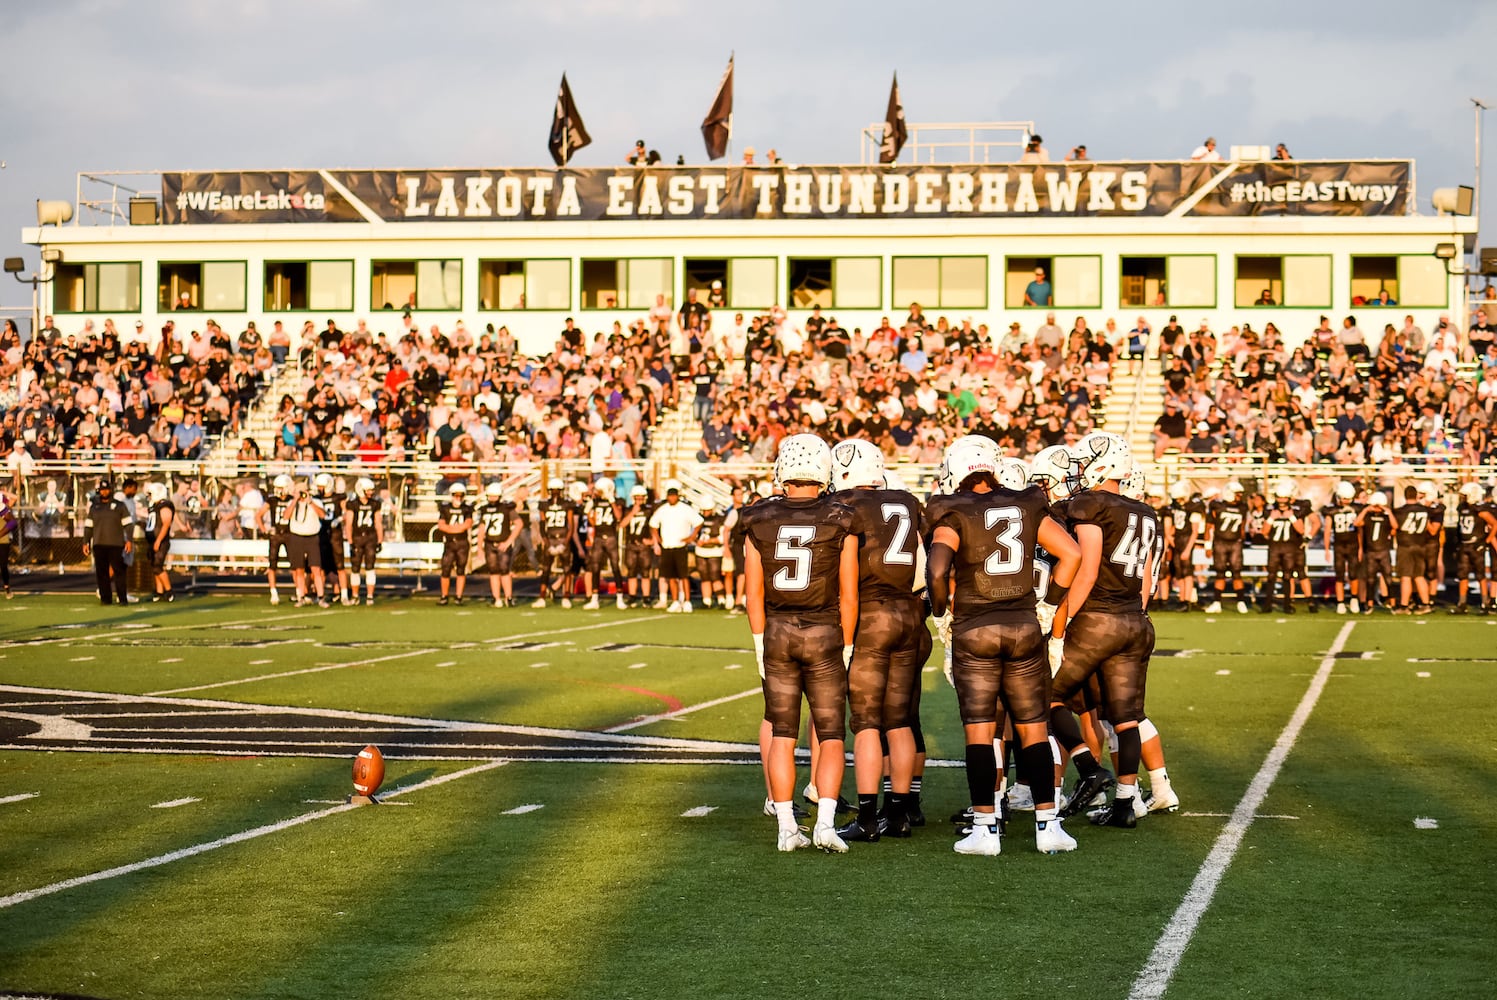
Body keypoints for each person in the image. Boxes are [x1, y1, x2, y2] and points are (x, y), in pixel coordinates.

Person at [927, 438, 1081, 854]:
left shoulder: (950, 510)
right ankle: (1048, 825)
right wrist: (1049, 606)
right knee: (1032, 729)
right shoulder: (1026, 502)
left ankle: (984, 829)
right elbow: (1070, 554)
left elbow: (938, 570)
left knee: (981, 735)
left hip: (975, 629)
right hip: (1024, 627)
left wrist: (941, 615)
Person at [742, 434, 859, 853]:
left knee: (782, 733)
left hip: (778, 631)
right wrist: (846, 644)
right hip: (826, 630)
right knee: (829, 733)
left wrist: (758, 641)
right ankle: (826, 822)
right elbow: (849, 592)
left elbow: (752, 594)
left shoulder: (759, 518)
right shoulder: (841, 516)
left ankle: (787, 826)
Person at [1050, 433, 1161, 828]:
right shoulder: (1146, 511)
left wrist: (1061, 618)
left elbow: (1088, 567)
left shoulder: (1091, 504)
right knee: (1125, 717)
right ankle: (1125, 805)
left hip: (1098, 618)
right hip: (1135, 619)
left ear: (1101, 464)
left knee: (1044, 696)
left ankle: (1087, 768)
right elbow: (1146, 581)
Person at [825, 440, 928, 843]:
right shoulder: (906, 500)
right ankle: (898, 813)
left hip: (869, 613)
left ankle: (868, 818)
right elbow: (921, 563)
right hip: (909, 614)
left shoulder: (844, 507)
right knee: (899, 720)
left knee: (867, 722)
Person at [650, 481, 703, 612]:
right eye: (670, 496)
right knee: (671, 576)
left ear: (677, 496)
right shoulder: (663, 509)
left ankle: (687, 601)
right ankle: (675, 601)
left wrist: (691, 537)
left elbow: (698, 522)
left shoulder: (685, 509)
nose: (672, 498)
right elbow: (653, 524)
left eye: (674, 496)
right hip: (667, 546)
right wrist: (658, 539)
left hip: (680, 546)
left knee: (683, 576)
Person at [83, 477, 133, 606]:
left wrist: (129, 540)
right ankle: (106, 599)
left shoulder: (119, 505)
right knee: (102, 573)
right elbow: (89, 526)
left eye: (107, 489)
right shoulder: (95, 507)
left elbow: (128, 524)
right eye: (102, 490)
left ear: (111, 490)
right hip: (99, 544)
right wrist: (85, 542)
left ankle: (122, 598)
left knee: (119, 572)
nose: (104, 492)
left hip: (116, 544)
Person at [1202, 481, 1250, 613]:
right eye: (1237, 494)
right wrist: (1207, 545)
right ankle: (1217, 602)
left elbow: (1242, 526)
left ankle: (1241, 602)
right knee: (1220, 573)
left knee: (1237, 573)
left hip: (1235, 543)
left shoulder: (1243, 507)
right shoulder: (1217, 505)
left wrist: (1242, 540)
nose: (1240, 497)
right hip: (1220, 542)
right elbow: (1209, 526)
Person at [1450, 483, 1497, 614]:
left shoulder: (1480, 510)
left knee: (1480, 575)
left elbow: (1494, 524)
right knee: (1462, 575)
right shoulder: (1462, 508)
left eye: (1465, 495)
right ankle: (1462, 603)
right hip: (1464, 544)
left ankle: (1484, 602)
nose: (1463, 498)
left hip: (1476, 546)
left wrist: (1486, 541)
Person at [476, 481, 521, 608]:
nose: (492, 498)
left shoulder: (506, 508)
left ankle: (508, 597)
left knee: (505, 571)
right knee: (493, 572)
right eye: (490, 496)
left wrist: (509, 541)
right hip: (490, 543)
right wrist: (479, 547)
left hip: (503, 543)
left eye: (494, 496)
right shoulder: (485, 509)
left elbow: (519, 523)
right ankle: (497, 599)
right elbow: (481, 528)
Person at [534, 478, 577, 609]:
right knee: (546, 569)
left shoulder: (566, 504)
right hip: (551, 537)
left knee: (566, 569)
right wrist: (547, 542)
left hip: (562, 537)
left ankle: (566, 596)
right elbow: (542, 525)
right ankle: (542, 596)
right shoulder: (544, 505)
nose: (555, 493)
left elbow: (570, 525)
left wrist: (565, 542)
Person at [285, 480, 329, 607]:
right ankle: (301, 596)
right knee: (299, 569)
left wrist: (310, 502)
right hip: (297, 537)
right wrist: (294, 501)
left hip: (312, 537)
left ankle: (320, 597)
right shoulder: (292, 503)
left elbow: (322, 515)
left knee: (316, 568)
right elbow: (286, 516)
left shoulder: (316, 502)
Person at [583, 479, 625, 610]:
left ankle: (620, 597)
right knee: (595, 567)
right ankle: (595, 599)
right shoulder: (595, 501)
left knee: (615, 567)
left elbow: (618, 516)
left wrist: (611, 500)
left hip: (611, 536)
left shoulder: (617, 501)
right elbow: (587, 513)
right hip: (599, 537)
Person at [1322, 482, 1364, 614]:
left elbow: (1360, 530)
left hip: (1353, 545)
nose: (1346, 501)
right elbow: (1327, 530)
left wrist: (1361, 547)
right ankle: (1340, 602)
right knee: (1339, 575)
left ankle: (1354, 599)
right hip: (1339, 546)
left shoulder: (1356, 509)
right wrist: (1327, 548)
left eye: (1348, 498)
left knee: (1353, 574)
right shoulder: (1331, 510)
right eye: (1344, 498)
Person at [313, 473, 351, 606]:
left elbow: (347, 512)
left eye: (321, 486)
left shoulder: (338, 497)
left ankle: (344, 595)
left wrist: (340, 519)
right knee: (321, 567)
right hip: (321, 533)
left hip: (335, 534)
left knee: (340, 566)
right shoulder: (315, 498)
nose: (319, 489)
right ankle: (321, 595)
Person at [1355, 492, 1397, 614]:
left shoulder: (1386, 516)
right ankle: (1370, 603)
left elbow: (1395, 526)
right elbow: (1357, 523)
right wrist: (1366, 509)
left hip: (1383, 551)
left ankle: (1393, 603)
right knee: (1370, 580)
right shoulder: (1368, 517)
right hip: (1371, 552)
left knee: (1388, 579)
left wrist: (1387, 511)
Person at [256, 474, 295, 605]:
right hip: (276, 534)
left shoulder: (292, 499)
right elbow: (258, 515)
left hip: (290, 534)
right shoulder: (272, 500)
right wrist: (264, 529)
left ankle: (299, 591)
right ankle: (273, 592)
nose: (279, 490)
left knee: (295, 565)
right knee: (272, 565)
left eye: (281, 487)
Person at [345, 477, 384, 605]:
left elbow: (378, 522)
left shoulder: (375, 504)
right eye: (368, 490)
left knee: (370, 567)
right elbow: (349, 524)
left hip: (370, 537)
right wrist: (350, 541)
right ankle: (355, 595)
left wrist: (380, 540)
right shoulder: (352, 504)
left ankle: (369, 596)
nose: (371, 493)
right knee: (355, 567)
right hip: (357, 537)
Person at [436, 481, 474, 606]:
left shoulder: (467, 509)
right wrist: (455, 529)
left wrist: (453, 529)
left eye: (461, 495)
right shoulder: (445, 508)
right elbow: (441, 525)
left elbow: (468, 524)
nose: (458, 498)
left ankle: (458, 596)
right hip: (449, 543)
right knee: (445, 569)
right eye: (456, 495)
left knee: (461, 570)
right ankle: (444, 596)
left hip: (462, 543)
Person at [143, 482, 175, 603]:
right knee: (154, 567)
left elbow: (166, 524)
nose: (149, 496)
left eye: (151, 494)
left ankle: (169, 591)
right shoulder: (155, 506)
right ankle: (159, 592)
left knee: (158, 567)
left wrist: (158, 540)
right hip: (153, 540)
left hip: (160, 541)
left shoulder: (164, 505)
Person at [0, 489, 15, 598]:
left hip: (2, 540)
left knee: (3, 565)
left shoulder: (1, 506)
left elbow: (13, 522)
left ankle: (7, 587)